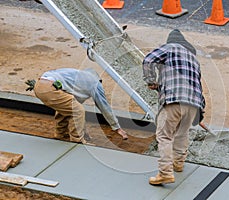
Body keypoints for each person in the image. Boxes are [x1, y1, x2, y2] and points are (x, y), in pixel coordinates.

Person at [142, 29, 205, 185]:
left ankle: (165, 173)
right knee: (182, 133)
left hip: (174, 100)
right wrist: (200, 112)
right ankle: (178, 163)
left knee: (164, 136)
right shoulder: (194, 61)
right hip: (194, 103)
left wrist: (150, 81)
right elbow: (198, 86)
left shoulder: (170, 47)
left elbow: (148, 60)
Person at [26, 67, 128, 144]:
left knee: (67, 107)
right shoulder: (95, 84)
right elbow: (104, 107)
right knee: (78, 111)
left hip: (39, 84)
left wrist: (38, 86)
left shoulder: (77, 77)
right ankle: (77, 141)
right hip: (50, 88)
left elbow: (71, 102)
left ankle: (60, 134)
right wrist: (116, 127)